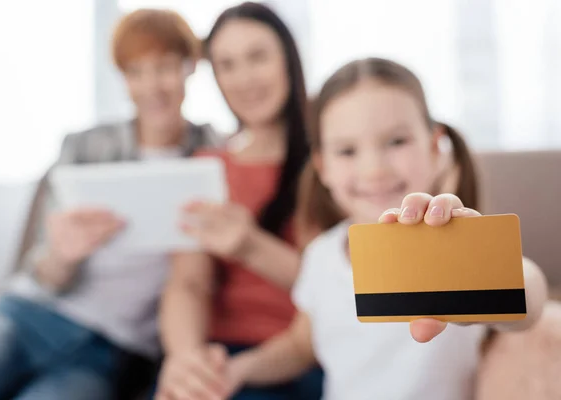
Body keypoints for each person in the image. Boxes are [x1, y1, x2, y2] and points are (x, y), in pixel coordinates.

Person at [216, 58, 548, 400]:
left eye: (396, 142)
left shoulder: (454, 244)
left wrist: (489, 271)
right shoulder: (321, 256)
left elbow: (532, 301)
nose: (373, 169)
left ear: (435, 148)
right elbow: (302, 346)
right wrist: (240, 368)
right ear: (323, 167)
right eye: (347, 151)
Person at [0, 9, 220, 400]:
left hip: (108, 351)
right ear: (123, 79)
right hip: (29, 314)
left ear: (190, 67)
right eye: (136, 71)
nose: (152, 86)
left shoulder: (215, 157)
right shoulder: (84, 147)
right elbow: (43, 271)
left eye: (165, 67)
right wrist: (62, 256)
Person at [156, 3, 322, 400]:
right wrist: (186, 362)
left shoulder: (331, 162)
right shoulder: (206, 167)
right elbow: (187, 283)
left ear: (289, 59)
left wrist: (250, 246)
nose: (244, 78)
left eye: (257, 57)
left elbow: (337, 287)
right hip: (216, 354)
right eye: (227, 65)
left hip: (297, 358)